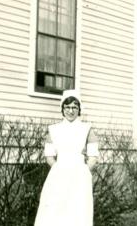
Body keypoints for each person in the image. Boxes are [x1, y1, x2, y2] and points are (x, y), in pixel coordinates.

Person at [34, 89, 99, 226]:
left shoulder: (87, 129)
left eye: (75, 107)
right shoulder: (53, 129)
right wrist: (59, 169)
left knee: (78, 211)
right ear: (62, 108)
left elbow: (93, 156)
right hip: (58, 175)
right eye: (67, 107)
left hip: (80, 176)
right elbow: (49, 156)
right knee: (55, 210)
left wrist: (84, 171)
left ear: (79, 109)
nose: (71, 111)